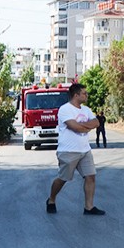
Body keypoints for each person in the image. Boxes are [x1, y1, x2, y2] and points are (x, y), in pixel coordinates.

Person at [46, 83, 105, 215]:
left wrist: (83, 125)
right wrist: (87, 126)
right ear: (76, 95)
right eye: (84, 93)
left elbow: (96, 123)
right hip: (68, 151)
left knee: (91, 177)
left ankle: (89, 207)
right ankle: (51, 199)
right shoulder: (65, 109)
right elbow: (75, 127)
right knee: (63, 179)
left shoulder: (86, 110)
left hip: (85, 150)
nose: (87, 95)